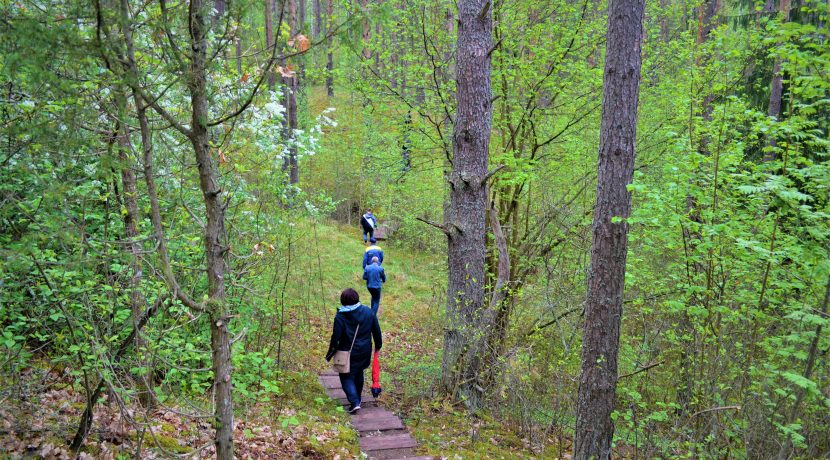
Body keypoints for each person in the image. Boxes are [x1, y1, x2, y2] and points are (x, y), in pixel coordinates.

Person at [325, 288, 382, 414]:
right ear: (357, 298)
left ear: (343, 301)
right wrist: (378, 345)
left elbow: (336, 337)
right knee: (358, 372)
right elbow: (376, 330)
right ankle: (358, 398)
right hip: (365, 350)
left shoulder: (341, 316)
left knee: (346, 376)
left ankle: (354, 402)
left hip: (346, 352)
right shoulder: (368, 311)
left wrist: (330, 353)